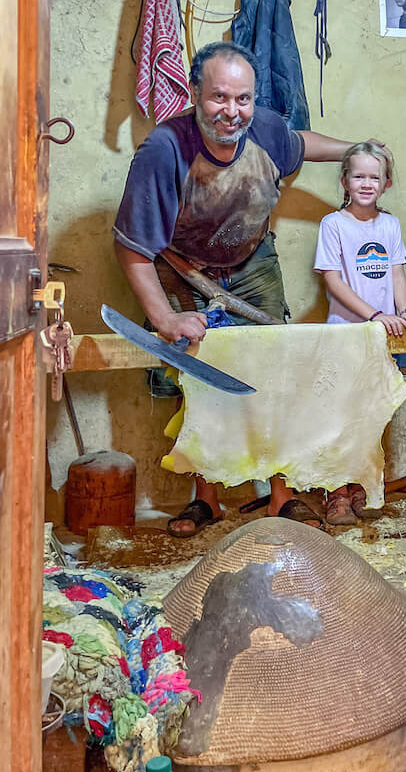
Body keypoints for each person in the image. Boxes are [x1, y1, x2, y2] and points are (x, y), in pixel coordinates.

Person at [113, 40, 387, 537]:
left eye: (243, 99)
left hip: (252, 261)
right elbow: (133, 249)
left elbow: (302, 143)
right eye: (219, 97)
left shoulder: (264, 129)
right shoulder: (164, 149)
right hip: (182, 266)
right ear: (194, 92)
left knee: (276, 376)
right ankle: (206, 501)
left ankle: (281, 500)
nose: (232, 112)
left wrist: (356, 151)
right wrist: (165, 320)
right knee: (198, 382)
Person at [314, 142, 406, 525]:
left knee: (371, 414)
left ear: (387, 183)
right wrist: (374, 314)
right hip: (346, 334)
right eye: (358, 176)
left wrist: (404, 312)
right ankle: (337, 492)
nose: (366, 183)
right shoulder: (334, 225)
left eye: (374, 177)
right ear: (345, 180)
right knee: (339, 415)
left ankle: (362, 485)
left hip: (381, 337)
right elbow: (333, 281)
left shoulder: (390, 225)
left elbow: (396, 272)